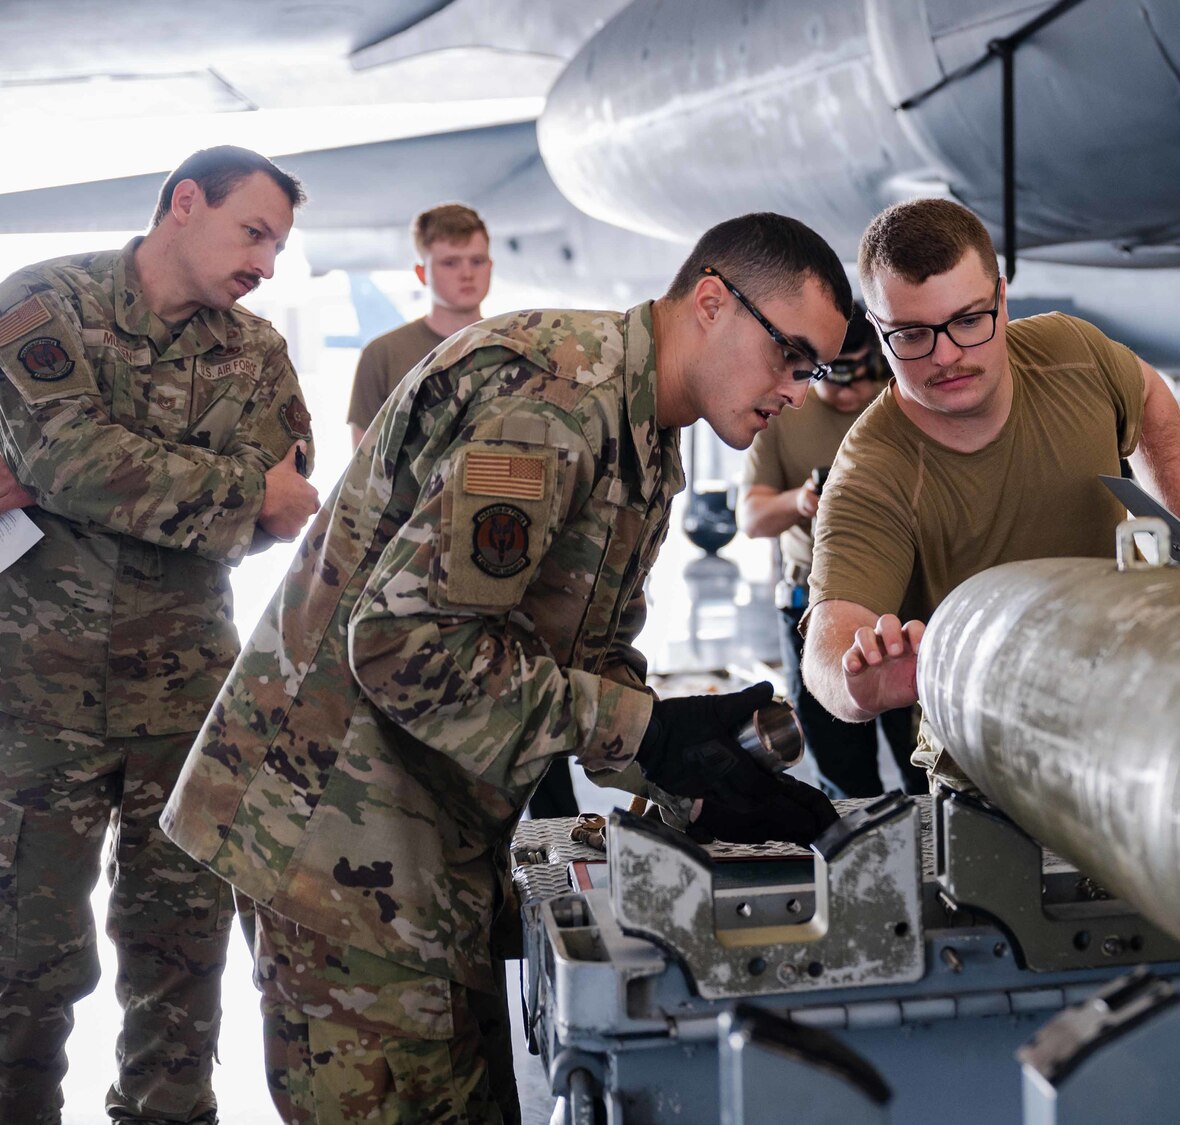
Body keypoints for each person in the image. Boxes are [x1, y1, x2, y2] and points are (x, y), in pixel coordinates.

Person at [161, 213, 847, 1124]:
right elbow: (405, 643)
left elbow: (580, 654)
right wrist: (646, 732)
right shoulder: (558, 401)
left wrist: (687, 769)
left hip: (428, 841)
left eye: (817, 369)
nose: (799, 391)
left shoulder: (642, 430)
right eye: (793, 355)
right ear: (714, 302)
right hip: (335, 838)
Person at [0, 145, 321, 1125]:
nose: (266, 264)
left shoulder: (256, 352)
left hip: (187, 707)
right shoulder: (45, 304)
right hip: (34, 703)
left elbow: (290, 503)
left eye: (277, 245)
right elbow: (72, 458)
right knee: (25, 966)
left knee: (179, 966)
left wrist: (83, 480)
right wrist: (222, 487)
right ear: (185, 203)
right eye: (253, 232)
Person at [802, 199, 1180, 792]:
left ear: (1002, 300)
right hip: (990, 757)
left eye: (968, 320)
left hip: (1130, 710)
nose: (947, 354)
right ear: (879, 332)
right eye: (911, 334)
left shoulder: (1070, 353)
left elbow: (1151, 396)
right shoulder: (874, 470)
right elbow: (830, 635)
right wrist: (860, 684)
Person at [740, 308, 922, 798]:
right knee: (842, 773)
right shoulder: (787, 411)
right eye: (833, 377)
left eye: (860, 375)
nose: (847, 392)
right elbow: (752, 517)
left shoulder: (905, 401)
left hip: (903, 611)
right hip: (810, 608)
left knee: (924, 763)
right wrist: (799, 501)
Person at [347, 203, 494, 447]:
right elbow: (363, 467)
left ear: (490, 266)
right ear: (422, 273)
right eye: (450, 263)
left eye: (477, 261)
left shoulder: (512, 348)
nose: (467, 273)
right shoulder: (383, 355)